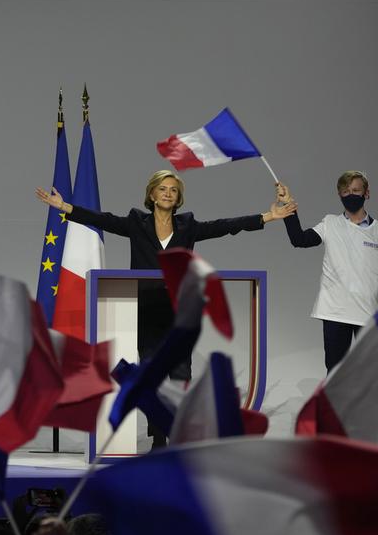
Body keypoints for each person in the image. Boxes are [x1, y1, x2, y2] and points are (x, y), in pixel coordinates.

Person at [36, 171, 296, 446]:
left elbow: (224, 226)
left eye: (173, 190)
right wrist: (65, 207)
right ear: (152, 194)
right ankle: (159, 440)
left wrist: (268, 217)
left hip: (179, 312)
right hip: (146, 310)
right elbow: (104, 220)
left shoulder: (188, 225)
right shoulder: (137, 222)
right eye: (163, 189)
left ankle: (180, 438)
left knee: (181, 375)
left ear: (178, 197)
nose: (168, 193)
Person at [279, 172, 378, 372]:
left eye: (355, 191)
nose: (350, 195)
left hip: (370, 315)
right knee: (335, 373)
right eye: (345, 191)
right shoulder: (330, 223)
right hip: (335, 312)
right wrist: (287, 205)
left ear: (366, 193)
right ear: (340, 195)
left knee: (371, 375)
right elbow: (299, 239)